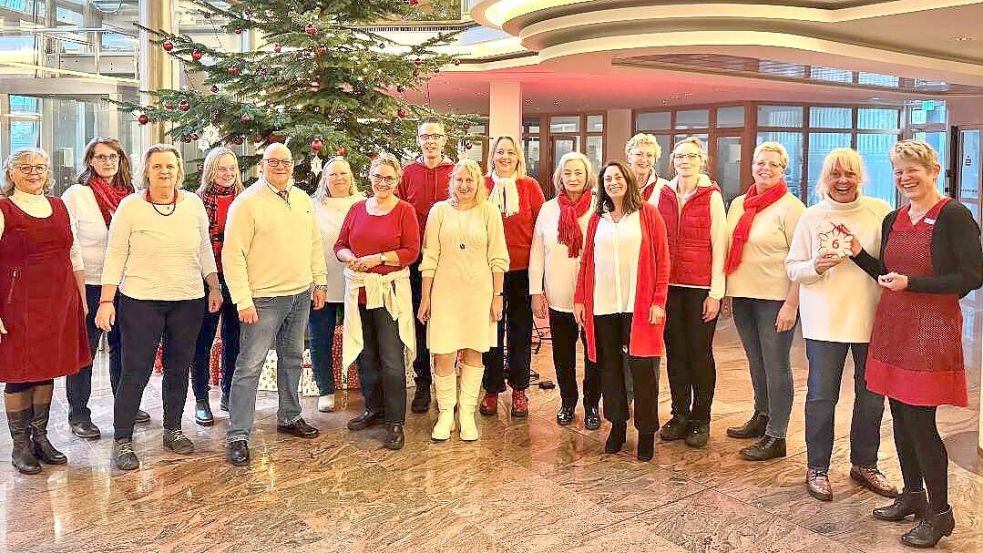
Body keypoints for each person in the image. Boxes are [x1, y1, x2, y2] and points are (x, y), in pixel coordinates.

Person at [848, 140, 981, 549]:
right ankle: (912, 496)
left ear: (934, 169)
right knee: (901, 420)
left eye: (913, 170)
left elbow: (973, 275)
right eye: (898, 171)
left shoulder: (954, 215)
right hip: (892, 328)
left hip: (930, 330)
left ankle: (940, 514)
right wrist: (857, 255)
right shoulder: (895, 218)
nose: (905, 178)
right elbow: (888, 273)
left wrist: (915, 285)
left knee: (922, 424)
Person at [95, 143, 222, 471]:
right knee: (134, 370)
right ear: (146, 172)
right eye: (157, 167)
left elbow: (204, 249)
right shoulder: (131, 207)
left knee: (179, 367)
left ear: (178, 171)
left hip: (187, 299)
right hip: (140, 300)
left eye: (170, 166)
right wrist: (107, 300)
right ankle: (123, 438)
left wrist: (213, 285)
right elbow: (115, 255)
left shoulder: (193, 204)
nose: (164, 172)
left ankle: (173, 429)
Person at [786, 148, 897, 501]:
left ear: (860, 176)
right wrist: (815, 266)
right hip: (824, 322)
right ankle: (817, 467)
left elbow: (889, 265)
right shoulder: (811, 216)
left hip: (871, 320)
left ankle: (865, 463)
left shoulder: (880, 212)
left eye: (850, 174)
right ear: (825, 178)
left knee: (870, 397)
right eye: (836, 174)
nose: (843, 181)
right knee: (821, 397)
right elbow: (793, 268)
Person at [222, 143, 327, 466]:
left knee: (292, 358)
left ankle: (290, 416)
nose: (280, 166)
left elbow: (313, 243)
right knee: (249, 366)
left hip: (299, 294)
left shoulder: (301, 200)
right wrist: (242, 299)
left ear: (293, 165)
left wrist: (319, 281)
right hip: (263, 299)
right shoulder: (247, 203)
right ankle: (238, 434)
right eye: (273, 161)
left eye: (286, 161)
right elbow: (232, 254)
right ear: (262, 165)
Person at [1, 147, 89, 474]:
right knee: (20, 374)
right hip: (17, 306)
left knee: (46, 369)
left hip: (58, 301)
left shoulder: (59, 206)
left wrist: (80, 299)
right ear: (11, 173)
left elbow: (74, 255)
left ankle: (41, 437)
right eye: (25, 168)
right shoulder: (4, 208)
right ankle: (20, 445)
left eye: (40, 167)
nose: (34, 172)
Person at [574, 161, 670, 462]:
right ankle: (617, 424)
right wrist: (580, 299)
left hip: (637, 304)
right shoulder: (596, 219)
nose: (613, 182)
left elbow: (663, 261)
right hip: (602, 305)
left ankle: (646, 431)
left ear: (628, 180)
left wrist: (658, 301)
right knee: (610, 369)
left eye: (618, 177)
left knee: (642, 370)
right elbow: (586, 261)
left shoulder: (648, 214)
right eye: (607, 178)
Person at [724, 142, 805, 461]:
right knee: (756, 362)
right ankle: (762, 416)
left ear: (784, 170)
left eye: (773, 164)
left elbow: (801, 260)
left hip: (775, 300)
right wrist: (729, 292)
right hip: (744, 296)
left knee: (776, 366)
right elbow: (732, 248)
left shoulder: (791, 207)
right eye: (760, 162)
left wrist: (791, 305)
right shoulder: (740, 203)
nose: (765, 168)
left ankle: (777, 434)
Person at [417, 159, 508, 441]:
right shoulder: (439, 212)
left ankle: (467, 414)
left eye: (470, 180)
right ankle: (446, 413)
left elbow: (498, 257)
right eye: (459, 180)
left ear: (478, 183)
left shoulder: (489, 211)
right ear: (452, 182)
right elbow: (429, 256)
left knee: (473, 351)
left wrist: (497, 296)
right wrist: (425, 298)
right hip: (444, 292)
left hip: (479, 292)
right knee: (443, 353)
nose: (464, 185)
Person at [336, 154, 420, 450]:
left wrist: (379, 259)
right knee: (366, 354)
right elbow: (340, 245)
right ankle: (374, 409)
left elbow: (411, 251)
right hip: (359, 292)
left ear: (397, 180)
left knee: (390, 358)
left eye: (389, 178)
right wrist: (351, 259)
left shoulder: (404, 211)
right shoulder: (357, 209)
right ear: (369, 177)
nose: (382, 183)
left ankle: (395, 420)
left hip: (389, 294)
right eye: (377, 177)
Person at [62, 137, 141, 439]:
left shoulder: (131, 195)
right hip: (91, 283)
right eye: (101, 157)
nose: (107, 162)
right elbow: (70, 243)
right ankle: (79, 413)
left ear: (121, 161)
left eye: (113, 157)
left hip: (126, 283)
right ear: (90, 161)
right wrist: (79, 291)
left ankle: (125, 404)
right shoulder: (78, 195)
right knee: (86, 351)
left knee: (125, 348)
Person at [655, 137, 727, 448]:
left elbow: (720, 244)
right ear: (673, 161)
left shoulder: (711, 196)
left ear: (702, 161)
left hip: (700, 288)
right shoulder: (664, 193)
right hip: (670, 287)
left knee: (700, 354)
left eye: (692, 156)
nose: (685, 161)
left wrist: (716, 292)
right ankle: (679, 414)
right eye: (680, 156)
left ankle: (701, 419)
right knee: (675, 354)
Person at [529, 152, 600, 429]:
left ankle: (592, 404)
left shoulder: (599, 207)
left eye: (578, 173)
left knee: (594, 355)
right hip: (558, 297)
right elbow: (537, 253)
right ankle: (568, 401)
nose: (572, 178)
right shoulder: (548, 210)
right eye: (567, 172)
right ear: (560, 176)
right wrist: (536, 291)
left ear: (587, 177)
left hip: (593, 298)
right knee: (562, 355)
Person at [480, 135, 545, 418]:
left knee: (520, 331)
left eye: (511, 153)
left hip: (521, 270)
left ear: (518, 157)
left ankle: (519, 389)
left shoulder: (530, 187)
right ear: (492, 156)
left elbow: (541, 231)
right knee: (491, 331)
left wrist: (539, 277)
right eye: (500, 152)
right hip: (487, 271)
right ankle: (492, 389)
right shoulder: (481, 185)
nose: (505, 157)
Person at [398, 118, 455, 414]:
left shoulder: (455, 173)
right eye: (425, 136)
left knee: (448, 319)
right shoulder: (407, 173)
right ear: (418, 140)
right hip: (417, 258)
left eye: (435, 136)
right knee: (421, 318)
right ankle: (422, 381)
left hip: (450, 259)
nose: (430, 141)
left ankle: (449, 382)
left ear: (445, 139)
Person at [189, 147, 243, 425]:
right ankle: (200, 399)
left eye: (232, 168)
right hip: (206, 278)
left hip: (237, 278)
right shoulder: (196, 201)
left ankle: (229, 393)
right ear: (211, 171)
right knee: (203, 339)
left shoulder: (244, 201)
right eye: (222, 168)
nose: (228, 173)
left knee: (235, 339)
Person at [310, 157, 364, 412]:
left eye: (343, 173)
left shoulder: (363, 203)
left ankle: (368, 385)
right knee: (320, 336)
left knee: (361, 335)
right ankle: (325, 389)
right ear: (325, 179)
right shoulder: (312, 206)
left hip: (356, 281)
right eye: (333, 175)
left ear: (351, 177)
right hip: (322, 281)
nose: (339, 179)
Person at [626, 133, 669, 203]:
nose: (644, 160)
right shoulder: (617, 184)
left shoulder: (665, 188)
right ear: (629, 157)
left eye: (649, 155)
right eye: (639, 154)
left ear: (655, 159)